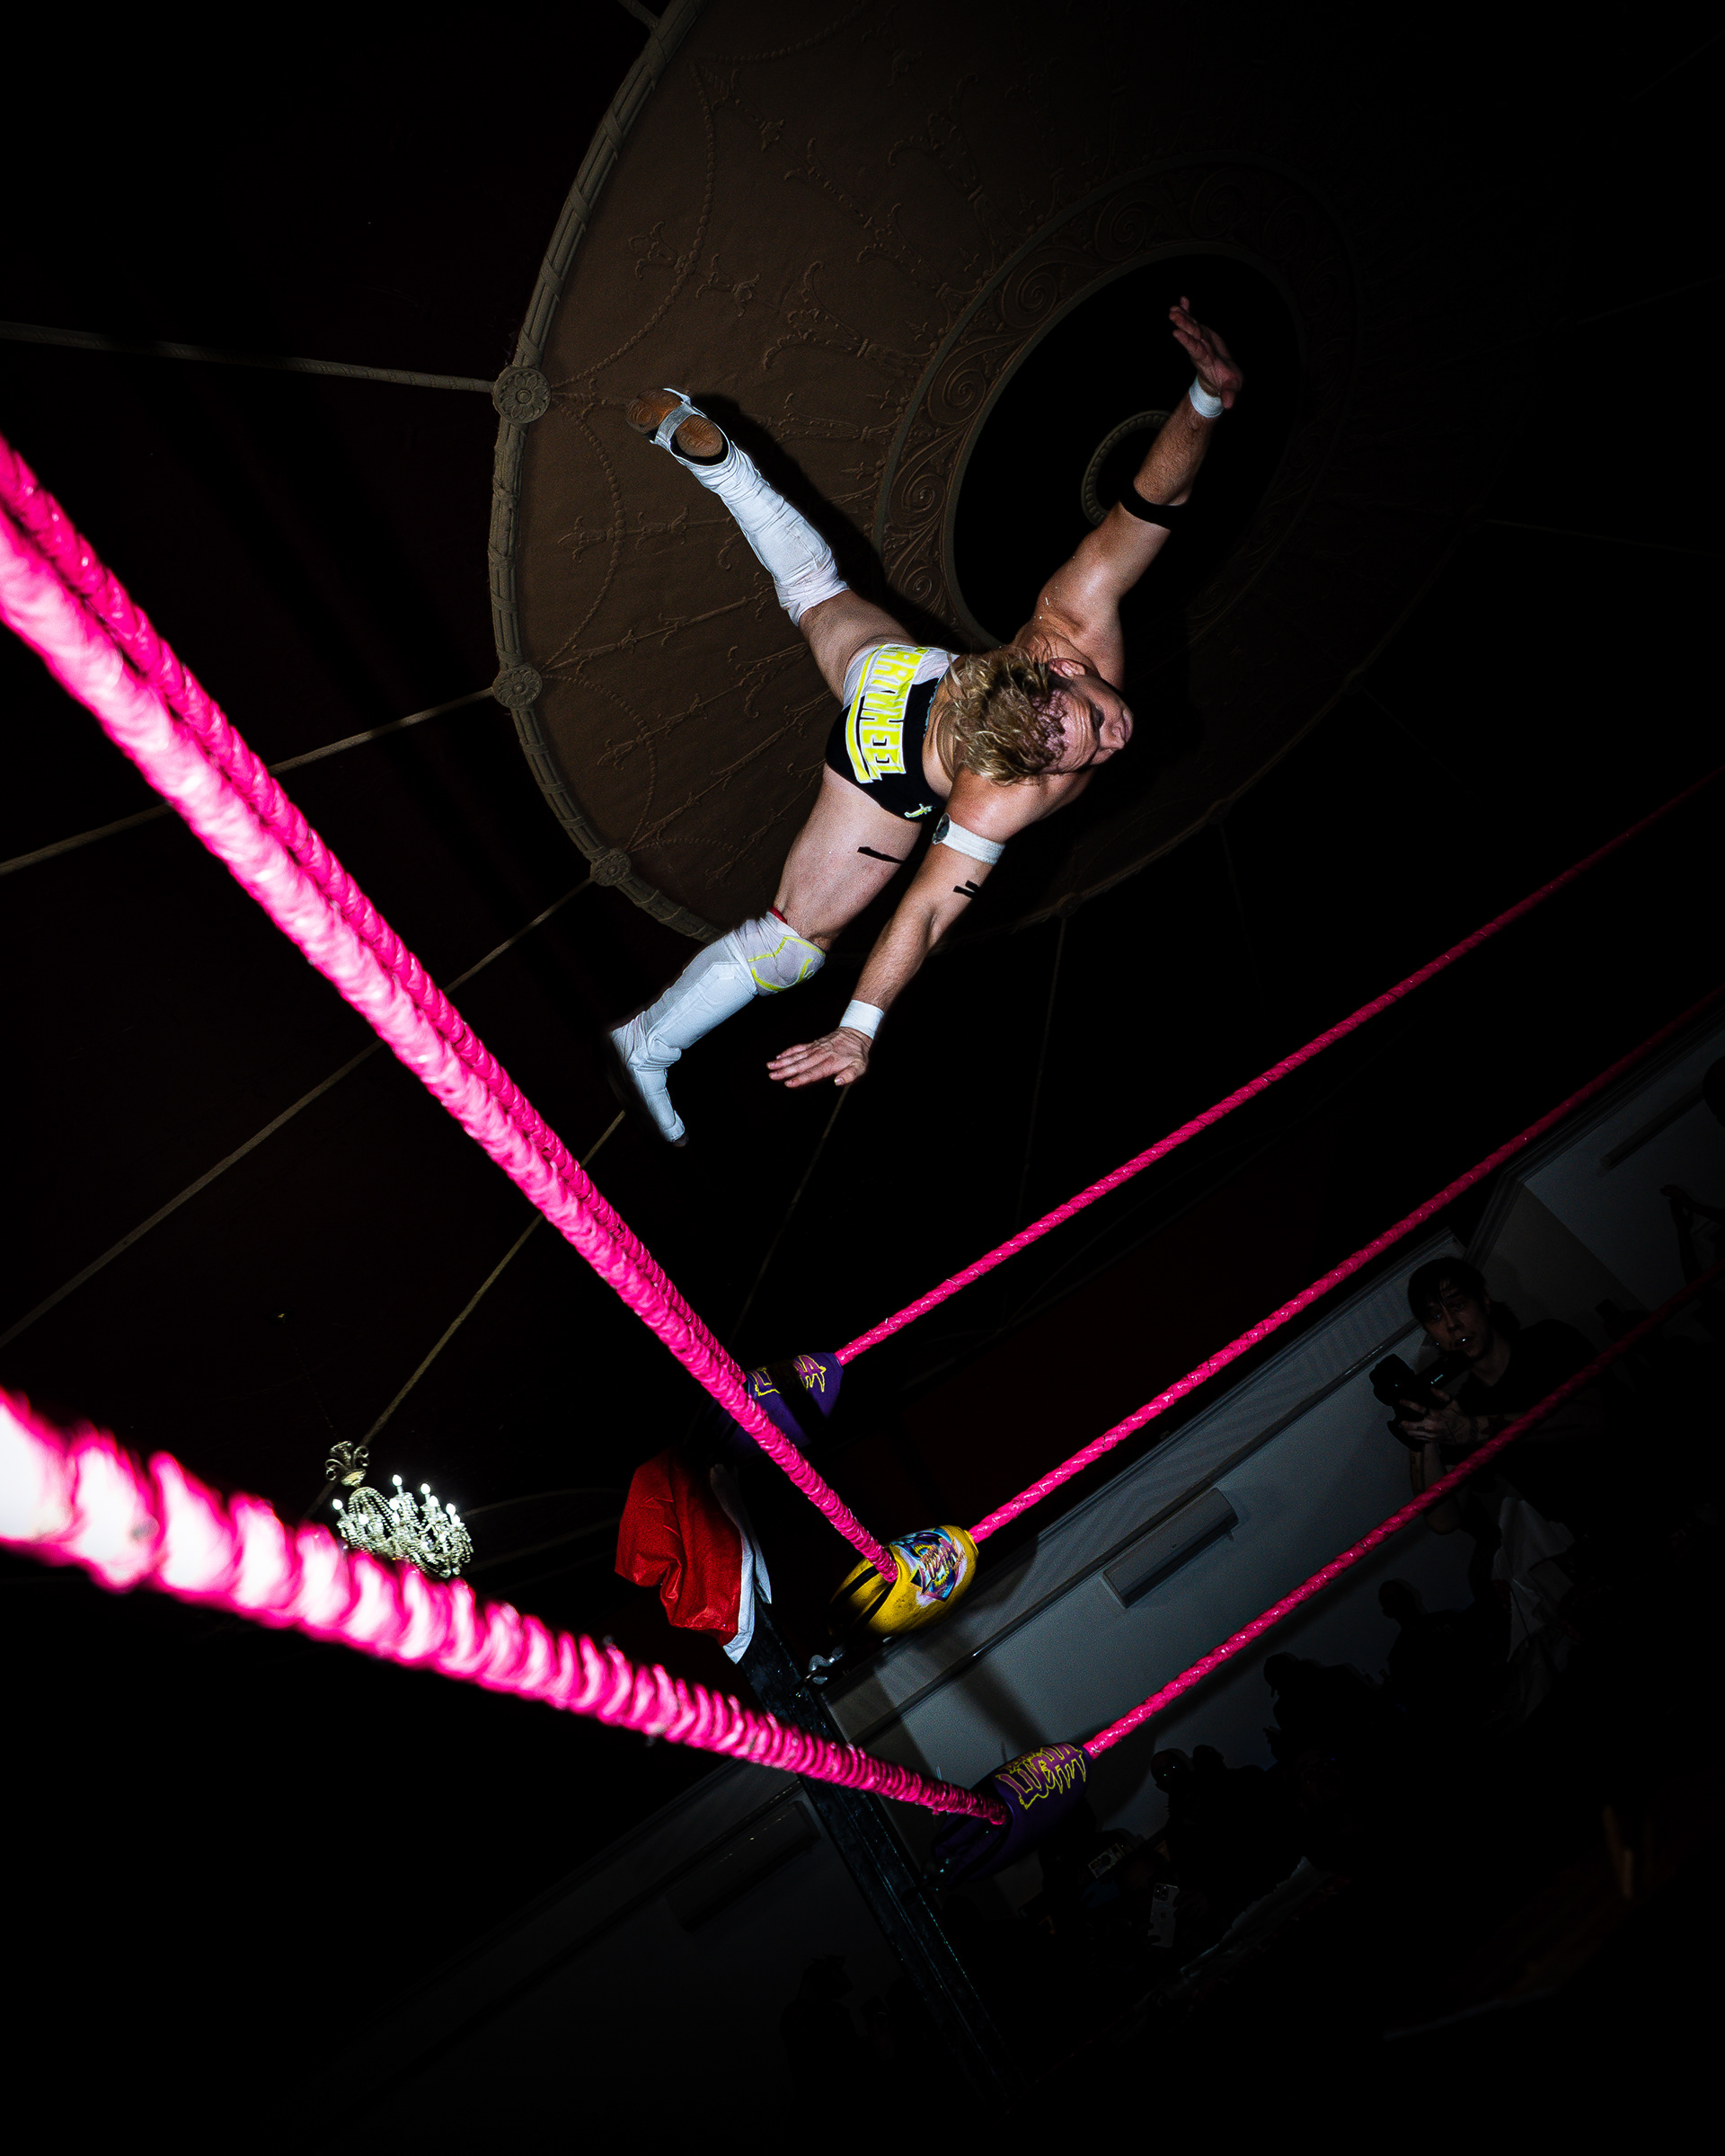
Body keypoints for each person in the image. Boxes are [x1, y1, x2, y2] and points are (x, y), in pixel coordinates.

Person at [607, 300, 1245, 1142]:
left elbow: (1152, 500)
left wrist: (1207, 399)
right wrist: (860, 1026)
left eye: (1095, 727)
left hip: (898, 686)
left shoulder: (1074, 614)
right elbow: (926, 911)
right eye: (1086, 746)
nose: (1111, 741)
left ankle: (723, 468)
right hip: (898, 755)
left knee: (816, 596)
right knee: (796, 940)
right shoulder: (999, 797)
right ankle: (646, 1043)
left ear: (1063, 670)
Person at [1393, 1259, 1605, 1534]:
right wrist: (1421, 1433)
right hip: (1592, 1536)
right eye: (1435, 1317)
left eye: (1457, 1306)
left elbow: (1597, 1418)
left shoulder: (1548, 1341)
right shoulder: (1464, 1407)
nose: (1451, 1324)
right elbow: (1442, 1520)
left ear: (1483, 1300)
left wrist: (1473, 1430)